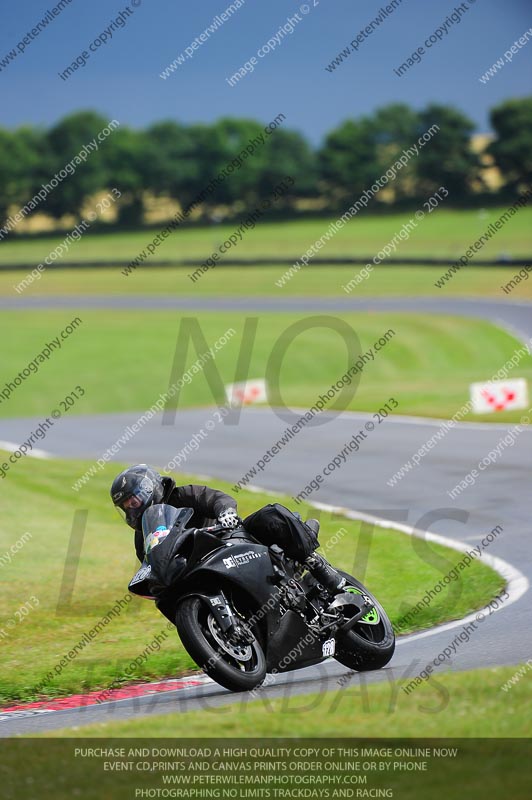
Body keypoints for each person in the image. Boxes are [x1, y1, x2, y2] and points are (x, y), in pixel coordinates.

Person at [110, 464, 240, 563]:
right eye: (126, 508)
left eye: (134, 503)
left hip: (221, 547)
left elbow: (215, 498)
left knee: (258, 519)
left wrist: (227, 513)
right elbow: (150, 566)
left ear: (148, 491)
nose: (131, 511)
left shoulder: (185, 495)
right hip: (189, 571)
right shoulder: (142, 535)